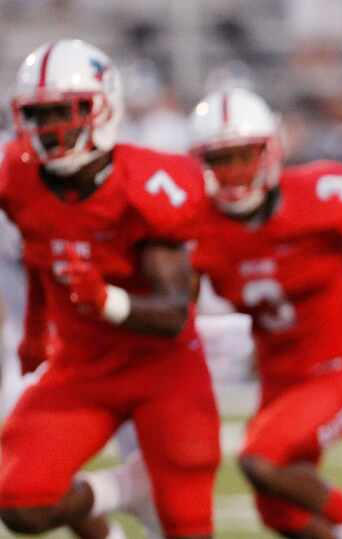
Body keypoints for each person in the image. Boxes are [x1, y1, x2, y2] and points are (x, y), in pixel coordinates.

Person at [0, 39, 220, 539]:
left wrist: (106, 300)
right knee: (21, 500)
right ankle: (121, 496)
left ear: (103, 109)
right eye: (39, 114)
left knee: (188, 528)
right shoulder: (17, 174)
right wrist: (34, 333)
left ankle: (130, 491)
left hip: (162, 369)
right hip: (81, 366)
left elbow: (174, 313)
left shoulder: (147, 183)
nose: (50, 129)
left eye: (64, 112)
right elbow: (40, 255)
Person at [189, 87, 342, 539]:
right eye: (221, 160)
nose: (235, 173)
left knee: (262, 460)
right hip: (280, 377)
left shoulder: (318, 194)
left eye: (244, 156)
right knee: (279, 511)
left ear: (270, 151)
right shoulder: (199, 228)